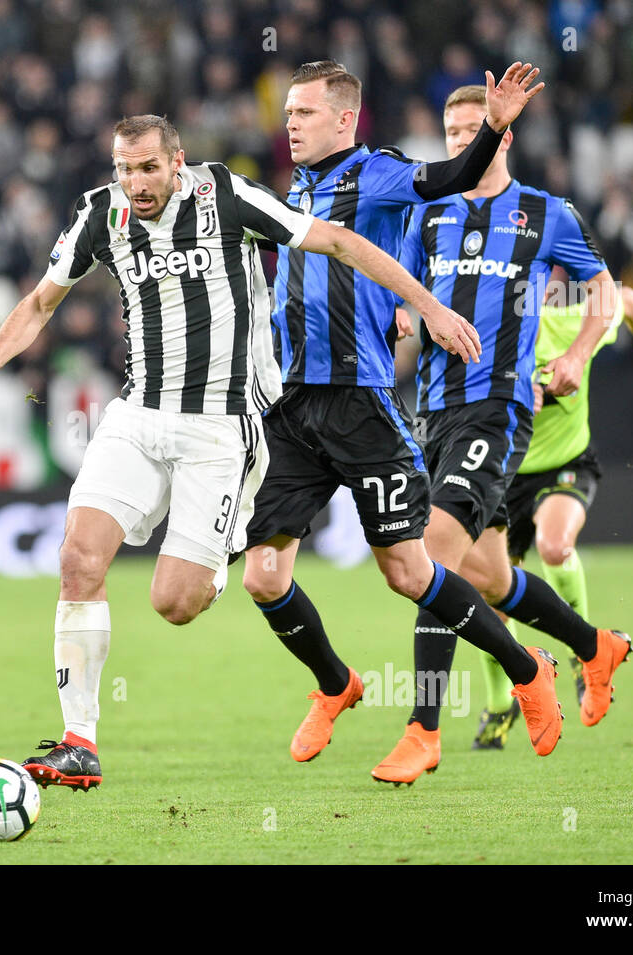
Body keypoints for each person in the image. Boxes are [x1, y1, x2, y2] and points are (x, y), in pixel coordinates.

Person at [0, 115, 484, 791]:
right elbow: (40, 301)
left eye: (148, 167)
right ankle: (79, 741)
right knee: (77, 557)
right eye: (125, 168)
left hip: (220, 426)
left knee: (174, 602)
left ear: (176, 162)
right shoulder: (100, 215)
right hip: (139, 414)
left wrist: (426, 305)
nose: (135, 182)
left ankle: (224, 555)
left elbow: (341, 242)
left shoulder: (226, 197)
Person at [239, 60, 563, 774]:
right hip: (293, 404)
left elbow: (444, 179)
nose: (289, 124)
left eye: (304, 113)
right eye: (288, 113)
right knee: (262, 575)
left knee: (409, 572)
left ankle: (525, 666)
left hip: (358, 401)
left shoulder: (377, 173)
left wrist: (493, 130)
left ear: (344, 119)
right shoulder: (298, 187)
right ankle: (336, 683)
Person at [378, 83, 633, 784]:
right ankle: (593, 644)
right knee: (489, 577)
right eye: (453, 133)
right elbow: (400, 288)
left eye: (473, 130)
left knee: (433, 558)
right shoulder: (427, 213)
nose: (462, 141)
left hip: (497, 408)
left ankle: (423, 730)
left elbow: (606, 292)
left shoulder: (546, 214)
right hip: (433, 411)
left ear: (504, 135)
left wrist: (578, 355)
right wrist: (403, 315)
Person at [467, 280, 633, 747]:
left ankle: (585, 657)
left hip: (565, 464)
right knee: (489, 590)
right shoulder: (488, 326)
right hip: (502, 473)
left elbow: (626, 300)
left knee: (555, 543)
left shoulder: (573, 320)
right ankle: (502, 704)